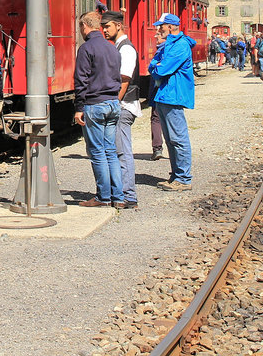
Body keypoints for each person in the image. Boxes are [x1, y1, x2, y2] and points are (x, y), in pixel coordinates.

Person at [73, 11, 124, 208]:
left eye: (80, 27)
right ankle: (118, 197)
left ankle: (103, 197)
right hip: (113, 103)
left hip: (95, 104)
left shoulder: (86, 48)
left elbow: (81, 80)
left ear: (84, 26)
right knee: (110, 150)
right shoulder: (113, 48)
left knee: (97, 152)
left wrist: (79, 107)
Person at [147, 13, 196, 191]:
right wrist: (156, 66)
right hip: (166, 95)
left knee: (178, 138)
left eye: (161, 26)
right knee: (170, 139)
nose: (158, 29)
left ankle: (183, 178)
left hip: (173, 95)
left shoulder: (180, 45)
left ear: (170, 26)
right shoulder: (171, 44)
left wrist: (157, 67)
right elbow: (153, 65)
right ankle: (176, 175)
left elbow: (161, 70)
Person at [101, 11, 139, 209]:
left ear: (118, 25)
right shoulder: (118, 47)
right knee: (116, 151)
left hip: (123, 106)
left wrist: (114, 103)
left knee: (122, 151)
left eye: (107, 26)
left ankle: (129, 195)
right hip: (120, 105)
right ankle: (120, 193)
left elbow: (124, 79)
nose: (104, 30)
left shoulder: (126, 49)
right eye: (103, 27)